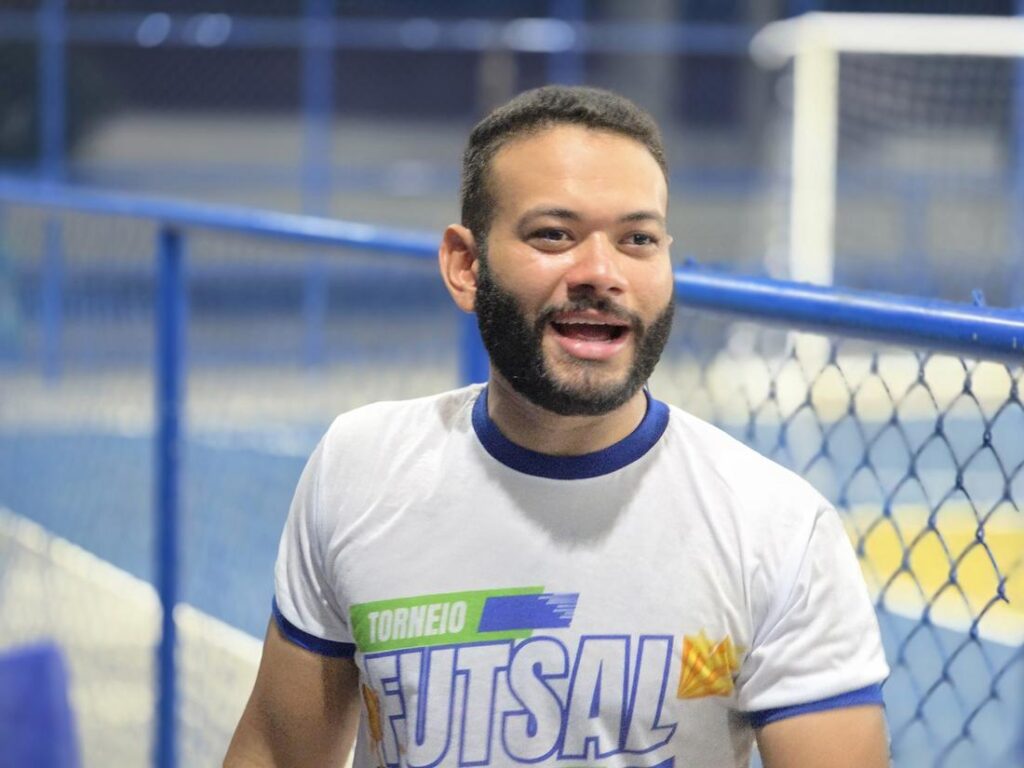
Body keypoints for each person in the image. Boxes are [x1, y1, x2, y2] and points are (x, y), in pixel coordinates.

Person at [224, 85, 890, 768]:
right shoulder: (358, 467)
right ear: (466, 266)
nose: (601, 272)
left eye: (638, 239)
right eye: (554, 235)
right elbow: (276, 752)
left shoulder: (776, 528)